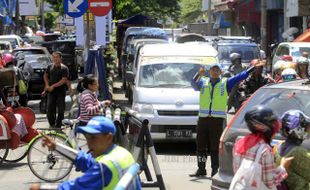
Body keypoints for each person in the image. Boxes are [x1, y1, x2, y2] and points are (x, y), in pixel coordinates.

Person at [190, 61, 262, 177]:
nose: (214, 71)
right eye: (213, 69)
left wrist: (253, 68)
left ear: (221, 72)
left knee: (214, 147)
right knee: (200, 146)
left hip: (217, 120)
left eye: (217, 70)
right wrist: (198, 74)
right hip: (203, 119)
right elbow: (193, 84)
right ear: (209, 71)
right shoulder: (203, 81)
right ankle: (201, 168)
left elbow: (240, 76)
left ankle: (214, 169)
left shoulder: (225, 83)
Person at [30, 116, 141, 190]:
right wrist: (57, 146)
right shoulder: (122, 153)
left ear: (108, 138)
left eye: (93, 138)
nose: (89, 143)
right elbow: (86, 161)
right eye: (87, 138)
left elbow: (77, 187)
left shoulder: (105, 166)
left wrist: (42, 188)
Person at [232, 105, 293, 189]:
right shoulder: (265, 150)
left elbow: (237, 172)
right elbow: (270, 183)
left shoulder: (239, 143)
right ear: (266, 127)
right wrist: (283, 167)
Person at [274, 110, 310, 190]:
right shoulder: (299, 152)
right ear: (299, 129)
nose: (308, 130)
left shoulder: (278, 146)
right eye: (307, 127)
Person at [42, 51, 69, 128]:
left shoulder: (64, 68)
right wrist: (47, 86)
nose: (55, 59)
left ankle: (59, 125)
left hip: (60, 92)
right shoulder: (50, 67)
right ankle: (52, 124)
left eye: (57, 57)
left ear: (60, 58)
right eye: (53, 57)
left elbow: (64, 80)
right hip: (51, 91)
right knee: (50, 108)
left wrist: (53, 86)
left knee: (61, 109)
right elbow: (45, 76)